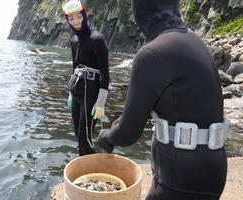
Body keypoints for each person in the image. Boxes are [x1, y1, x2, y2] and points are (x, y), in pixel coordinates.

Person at [97, 0, 228, 199]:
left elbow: (127, 134)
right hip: (213, 167)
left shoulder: (152, 53)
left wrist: (105, 136)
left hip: (181, 175)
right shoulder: (194, 41)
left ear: (141, 11)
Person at [62, 0, 109, 156]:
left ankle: (93, 170)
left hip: (92, 91)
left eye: (78, 17)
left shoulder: (97, 39)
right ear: (68, 20)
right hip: (76, 90)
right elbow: (74, 67)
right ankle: (84, 171)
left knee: (85, 137)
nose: (75, 22)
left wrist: (101, 102)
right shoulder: (74, 40)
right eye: (71, 19)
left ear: (84, 15)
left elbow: (105, 73)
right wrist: (70, 94)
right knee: (78, 135)